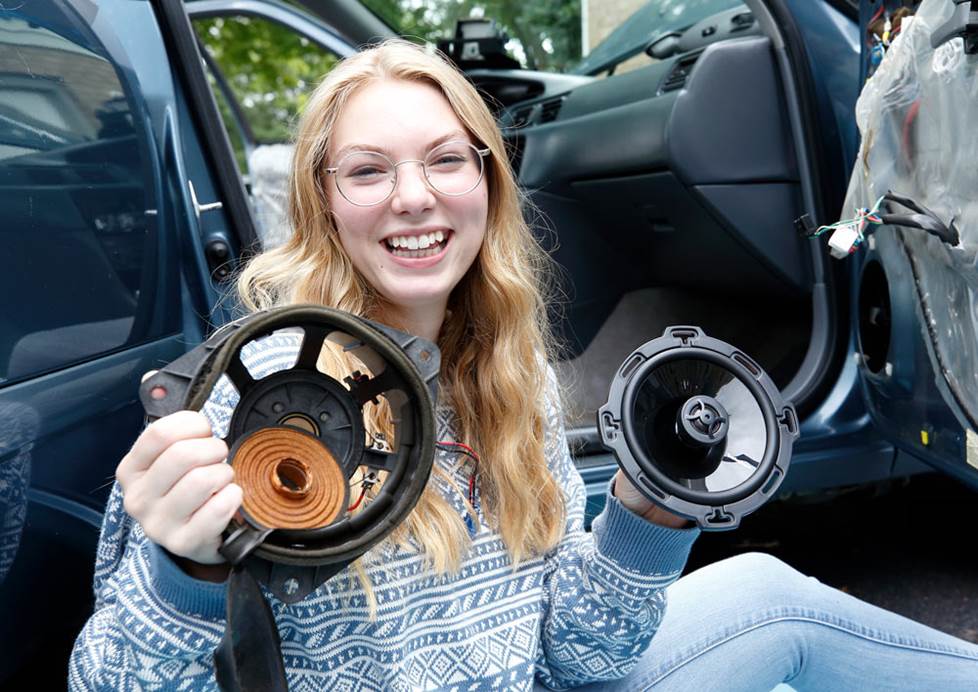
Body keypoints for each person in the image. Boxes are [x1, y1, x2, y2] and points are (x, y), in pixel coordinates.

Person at [70, 40, 978, 691]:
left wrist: (647, 510)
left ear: (489, 182)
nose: (414, 196)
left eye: (443, 160)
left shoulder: (509, 374)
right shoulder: (249, 395)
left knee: (768, 593)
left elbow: (578, 660)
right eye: (368, 171)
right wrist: (181, 575)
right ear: (324, 202)